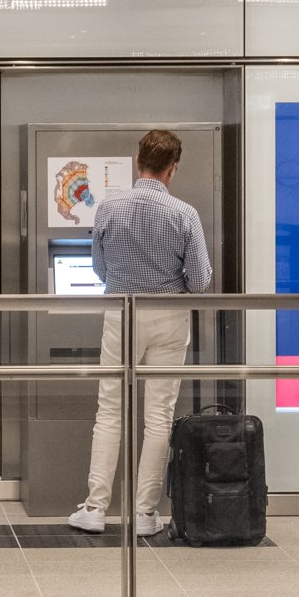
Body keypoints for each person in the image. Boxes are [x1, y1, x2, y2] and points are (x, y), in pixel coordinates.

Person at [70, 127, 214, 539]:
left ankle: (96, 508)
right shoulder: (184, 214)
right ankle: (145, 514)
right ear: (172, 169)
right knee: (158, 416)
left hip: (121, 313)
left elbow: (99, 268)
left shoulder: (108, 210)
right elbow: (200, 280)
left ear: (139, 163)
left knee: (110, 410)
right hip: (169, 317)